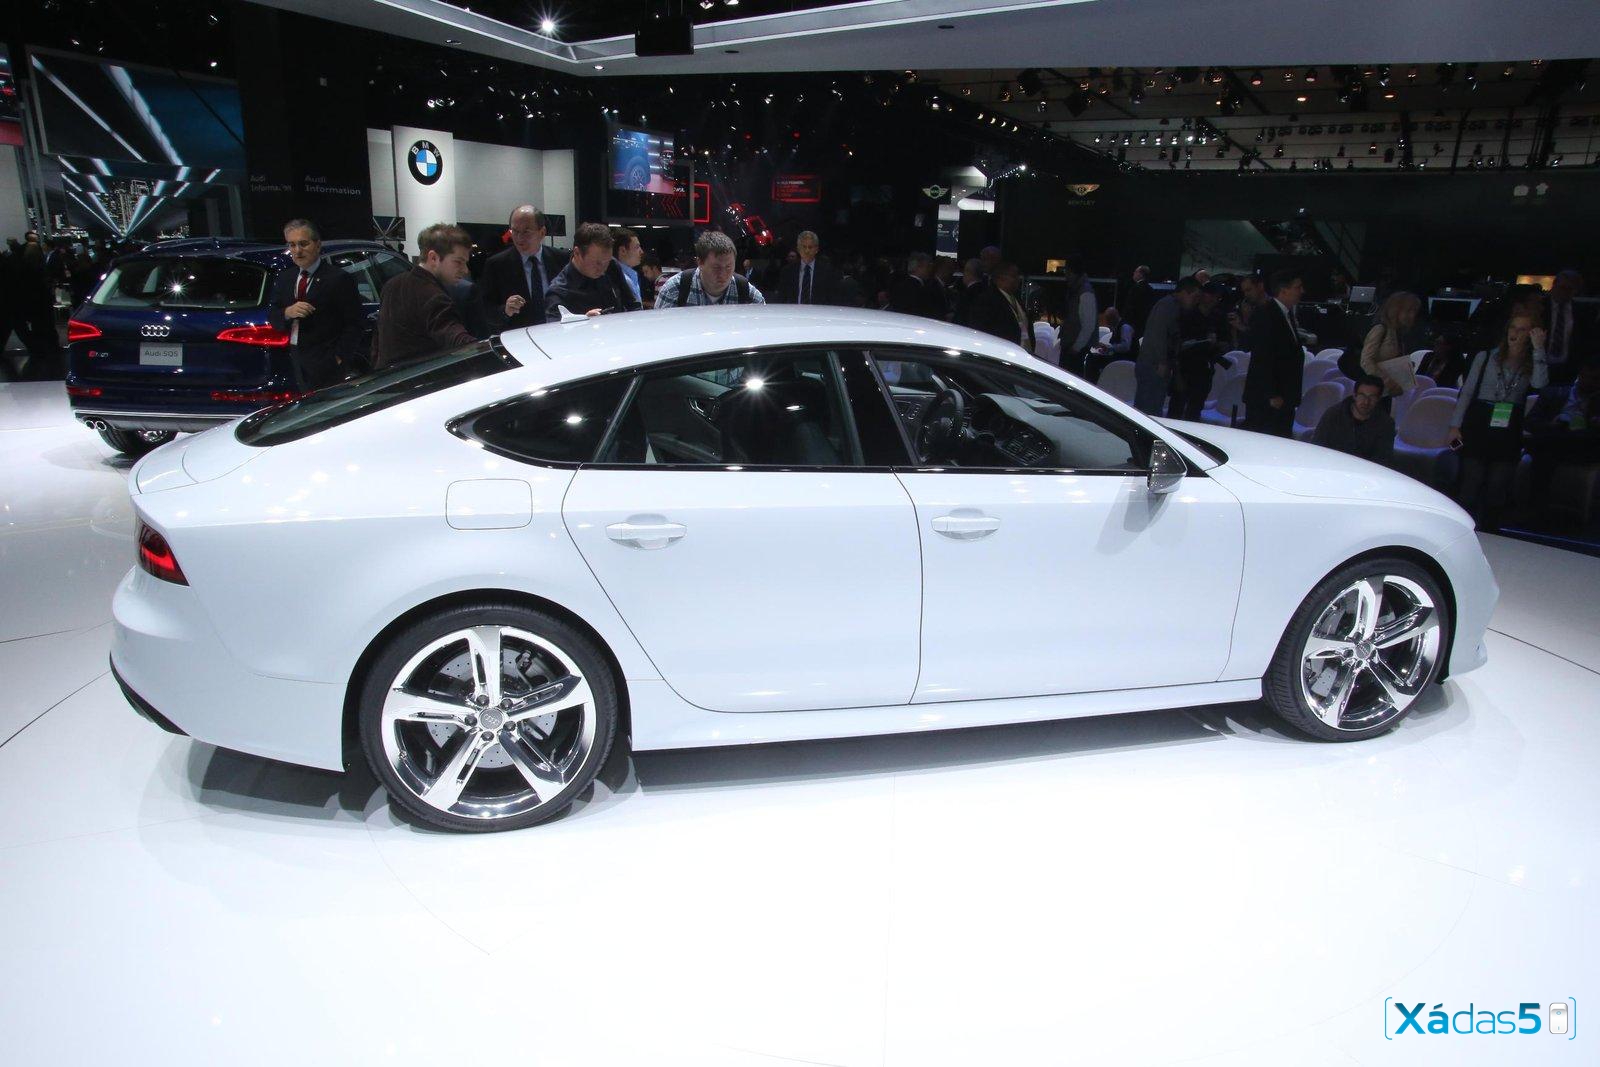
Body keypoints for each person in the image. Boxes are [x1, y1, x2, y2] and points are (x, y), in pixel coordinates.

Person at [1447, 314, 1549, 531]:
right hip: (1480, 419)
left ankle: (1491, 530)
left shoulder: (1531, 360)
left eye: (1522, 330)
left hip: (1509, 422)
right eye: (1513, 327)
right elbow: (1467, 391)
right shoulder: (1486, 357)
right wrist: (1455, 425)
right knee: (1471, 482)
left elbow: (1540, 383)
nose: (1516, 333)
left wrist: (1539, 348)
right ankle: (1460, 530)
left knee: (1498, 485)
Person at [265, 219, 364, 388]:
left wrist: (338, 357)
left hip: (326, 361)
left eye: (303, 244)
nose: (298, 251)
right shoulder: (285, 278)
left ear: (317, 245)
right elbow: (273, 314)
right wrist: (287, 312)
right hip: (292, 360)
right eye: (292, 245)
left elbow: (355, 323)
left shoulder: (338, 279)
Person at [371, 223, 478, 370]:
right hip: (420, 379)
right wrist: (485, 351)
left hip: (387, 377)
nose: (465, 270)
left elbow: (378, 341)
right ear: (433, 258)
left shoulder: (391, 284)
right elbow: (456, 339)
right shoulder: (434, 296)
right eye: (458, 262)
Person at [1523, 362, 1600, 519]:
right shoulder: (1553, 393)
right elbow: (1530, 422)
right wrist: (1551, 425)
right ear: (1580, 375)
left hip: (1584, 446)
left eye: (1596, 379)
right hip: (1554, 440)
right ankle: (1536, 509)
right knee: (1547, 448)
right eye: (1588, 377)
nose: (1590, 382)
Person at [1242, 269, 1308, 437]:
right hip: (1269, 398)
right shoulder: (1266, 314)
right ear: (1284, 290)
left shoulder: (1285, 313)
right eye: (1298, 287)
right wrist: (1272, 394)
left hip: (1284, 395)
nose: (1302, 291)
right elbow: (1262, 356)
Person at [479, 205, 566, 332]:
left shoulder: (562, 259)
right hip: (519, 337)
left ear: (542, 232)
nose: (519, 238)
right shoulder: (497, 265)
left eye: (526, 232)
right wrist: (505, 310)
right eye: (515, 231)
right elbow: (486, 310)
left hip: (558, 333)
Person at [544, 222, 642, 321]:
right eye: (598, 263)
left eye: (606, 262)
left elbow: (632, 305)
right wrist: (582, 321)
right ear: (577, 253)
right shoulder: (559, 292)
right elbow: (554, 329)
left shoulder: (611, 266)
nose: (603, 270)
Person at [1134, 278, 1199, 415]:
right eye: (1195, 297)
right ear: (1185, 292)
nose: (1196, 301)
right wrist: (1162, 361)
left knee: (1150, 406)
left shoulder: (1171, 306)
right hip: (1154, 365)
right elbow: (1158, 334)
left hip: (1155, 363)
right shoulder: (1167, 306)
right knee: (1149, 408)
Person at [1169, 281, 1232, 421]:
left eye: (1217, 297)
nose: (1214, 300)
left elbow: (1227, 343)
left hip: (1205, 368)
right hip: (1185, 366)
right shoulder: (1188, 314)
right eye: (1211, 295)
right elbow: (1177, 343)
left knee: (1195, 408)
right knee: (1177, 407)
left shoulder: (1218, 317)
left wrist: (1217, 344)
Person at [655, 230, 766, 308]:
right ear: (700, 263)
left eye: (728, 267)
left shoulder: (747, 293)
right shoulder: (674, 290)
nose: (723, 274)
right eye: (716, 268)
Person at [1312, 375, 1395, 466]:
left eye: (1372, 397)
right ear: (1354, 395)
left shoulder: (1386, 424)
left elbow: (1382, 460)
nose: (1366, 402)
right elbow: (1317, 446)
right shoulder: (1333, 414)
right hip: (1330, 466)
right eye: (1362, 396)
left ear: (1378, 399)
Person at [1360, 291, 1422, 398]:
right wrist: (1388, 381)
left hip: (1389, 392)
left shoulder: (1397, 332)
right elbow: (1366, 361)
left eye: (1414, 311)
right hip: (1375, 392)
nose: (1413, 315)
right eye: (1409, 311)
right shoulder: (1380, 329)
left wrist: (1404, 366)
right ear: (1396, 310)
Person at [966, 261, 1031, 351]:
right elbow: (981, 330)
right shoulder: (987, 300)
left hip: (1022, 350)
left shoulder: (1016, 298)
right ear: (1000, 278)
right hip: (1000, 351)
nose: (1018, 280)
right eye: (1013, 276)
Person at [1542, 270, 1592, 385]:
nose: (1565, 292)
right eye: (1562, 287)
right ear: (1554, 285)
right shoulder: (1539, 307)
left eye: (1570, 289)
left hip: (1569, 368)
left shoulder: (1582, 312)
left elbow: (1585, 341)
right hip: (1538, 364)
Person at [1054, 255, 1097, 377]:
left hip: (1076, 351)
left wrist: (1076, 347)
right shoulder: (1077, 290)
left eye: (1067, 271)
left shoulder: (1085, 292)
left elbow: (1088, 325)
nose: (1065, 275)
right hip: (1073, 347)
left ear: (1072, 272)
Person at [887, 252, 943, 318]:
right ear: (919, 267)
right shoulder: (922, 290)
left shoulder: (899, 285)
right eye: (928, 266)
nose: (930, 270)